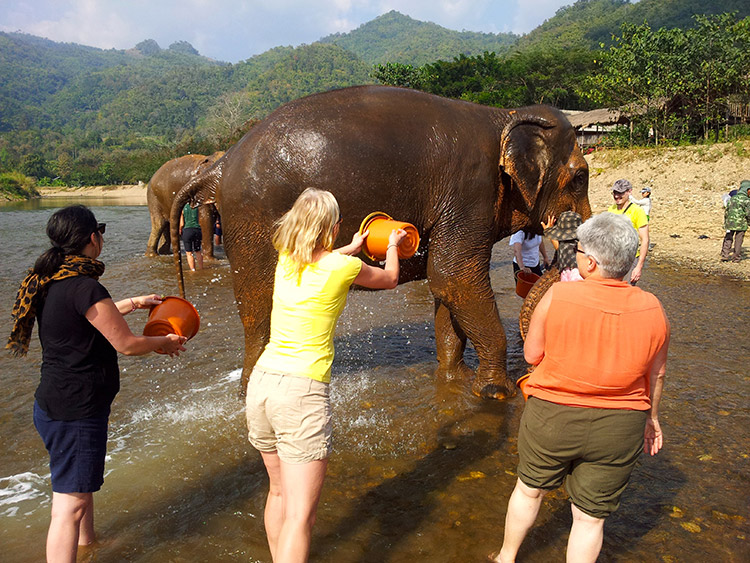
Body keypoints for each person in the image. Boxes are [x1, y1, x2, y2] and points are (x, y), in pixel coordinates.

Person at [6, 205, 187, 563]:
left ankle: (88, 548)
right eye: (100, 230)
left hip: (54, 404)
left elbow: (87, 316)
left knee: (79, 488)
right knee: (69, 506)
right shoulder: (86, 286)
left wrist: (134, 303)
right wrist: (164, 343)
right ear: (93, 238)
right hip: (75, 411)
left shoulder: (51, 279)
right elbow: (127, 345)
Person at [490, 213, 670, 563]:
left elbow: (532, 353)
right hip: (621, 426)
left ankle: (506, 558)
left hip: (553, 418)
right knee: (589, 518)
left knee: (529, 492)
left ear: (589, 262)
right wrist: (653, 420)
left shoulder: (558, 295)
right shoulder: (654, 307)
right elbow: (656, 376)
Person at [245, 188, 408, 562]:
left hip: (263, 384)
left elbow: (321, 260)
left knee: (279, 494)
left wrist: (351, 246)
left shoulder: (286, 258)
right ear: (331, 229)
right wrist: (393, 245)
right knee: (302, 516)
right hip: (300, 393)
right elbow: (390, 278)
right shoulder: (343, 268)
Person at [607, 179, 649, 285]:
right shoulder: (610, 209)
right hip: (612, 259)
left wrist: (639, 267)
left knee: (626, 293)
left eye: (620, 193)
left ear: (629, 191)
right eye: (615, 192)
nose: (616, 196)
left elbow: (645, 240)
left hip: (629, 260)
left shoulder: (638, 211)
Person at [542, 211, 584, 282]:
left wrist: (548, 231)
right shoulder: (585, 245)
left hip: (571, 283)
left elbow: (559, 248)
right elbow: (559, 248)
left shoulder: (564, 247)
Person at [721, 180, 750, 263]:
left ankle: (725, 256)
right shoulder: (747, 201)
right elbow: (748, 213)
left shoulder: (732, 198)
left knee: (728, 238)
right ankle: (736, 257)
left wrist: (726, 221)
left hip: (730, 223)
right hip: (741, 224)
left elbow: (727, 211)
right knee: (738, 240)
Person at [179, 202, 203, 271]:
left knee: (189, 253)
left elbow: (182, 223)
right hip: (197, 230)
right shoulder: (197, 207)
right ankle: (201, 268)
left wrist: (180, 229)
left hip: (187, 230)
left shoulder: (183, 208)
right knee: (198, 251)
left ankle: (193, 270)